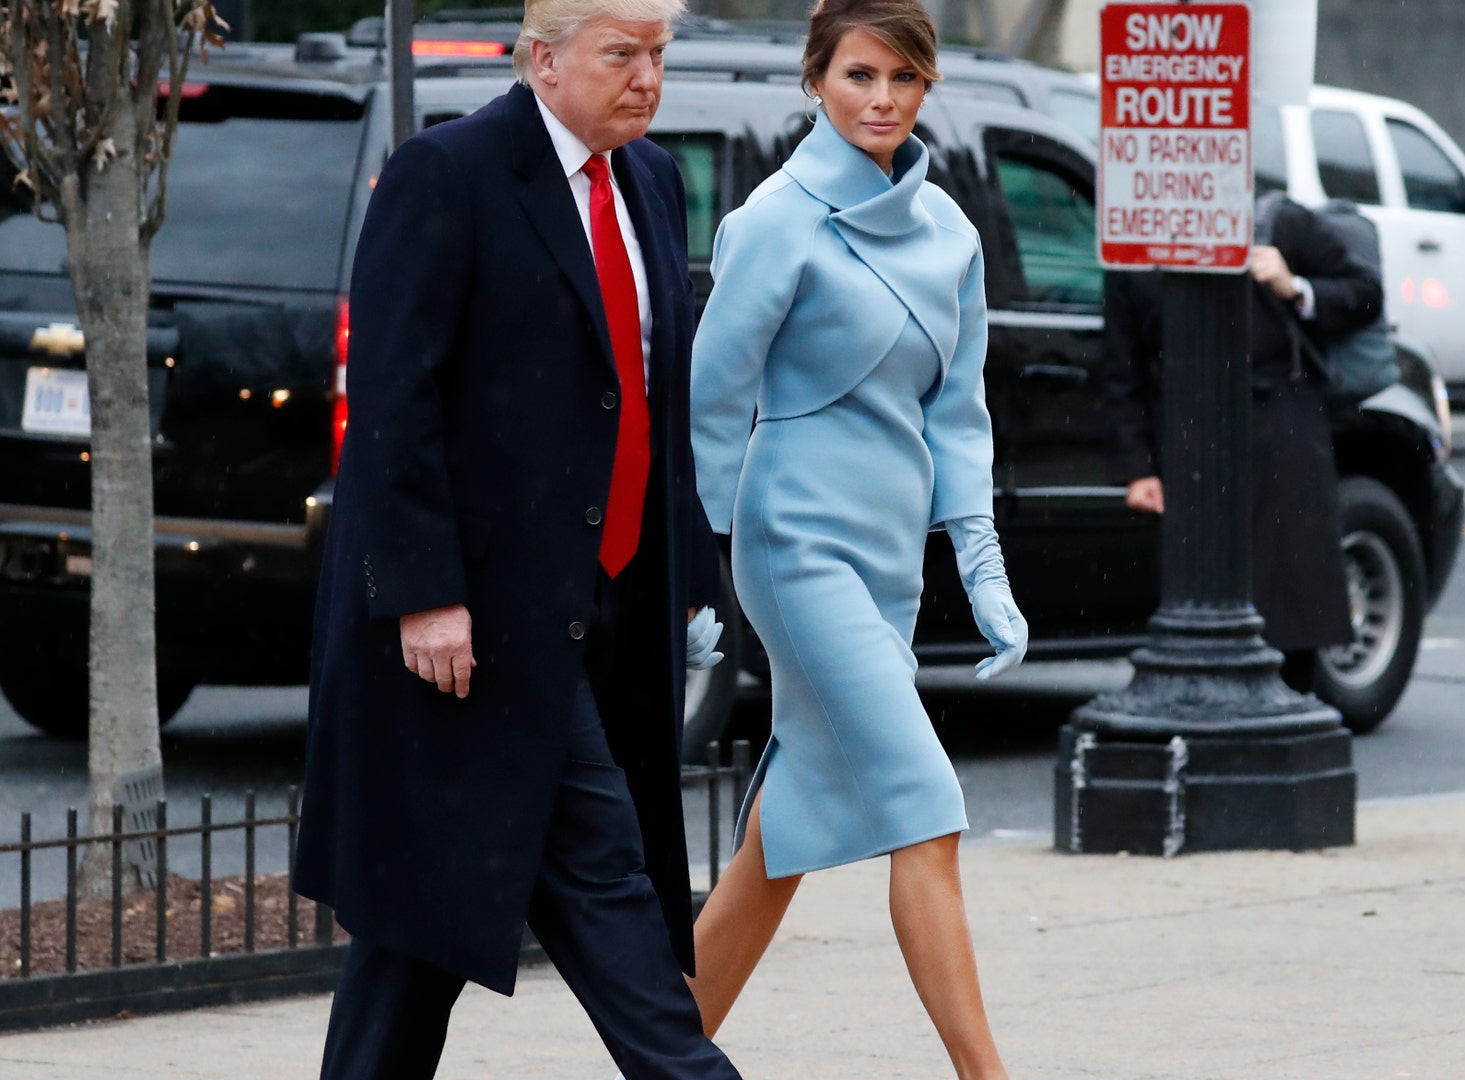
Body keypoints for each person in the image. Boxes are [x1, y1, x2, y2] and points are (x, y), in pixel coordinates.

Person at [291, 0, 740, 1076]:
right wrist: (422, 593)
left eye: (660, 54)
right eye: (622, 54)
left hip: (610, 603)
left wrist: (680, 564)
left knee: (415, 938)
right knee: (606, 884)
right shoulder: (447, 174)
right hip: (480, 623)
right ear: (545, 61)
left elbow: (643, 393)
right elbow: (394, 401)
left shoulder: (653, 182)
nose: (648, 77)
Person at [685, 2, 1025, 1077]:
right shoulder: (774, 221)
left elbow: (959, 416)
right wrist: (702, 567)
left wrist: (981, 562)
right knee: (925, 808)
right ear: (816, 82)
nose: (882, 100)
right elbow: (712, 397)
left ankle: (664, 1057)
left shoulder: (953, 236)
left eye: (904, 80)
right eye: (860, 76)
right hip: (793, 545)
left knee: (775, 848)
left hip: (887, 561)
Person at [1103, 193, 1384, 663]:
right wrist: (1138, 468)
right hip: (1189, 438)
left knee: (1292, 609)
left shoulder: (1275, 222)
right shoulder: (1135, 240)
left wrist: (1297, 286)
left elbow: (1365, 294)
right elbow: (1121, 369)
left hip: (1281, 424)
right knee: (1201, 607)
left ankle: (1292, 710)